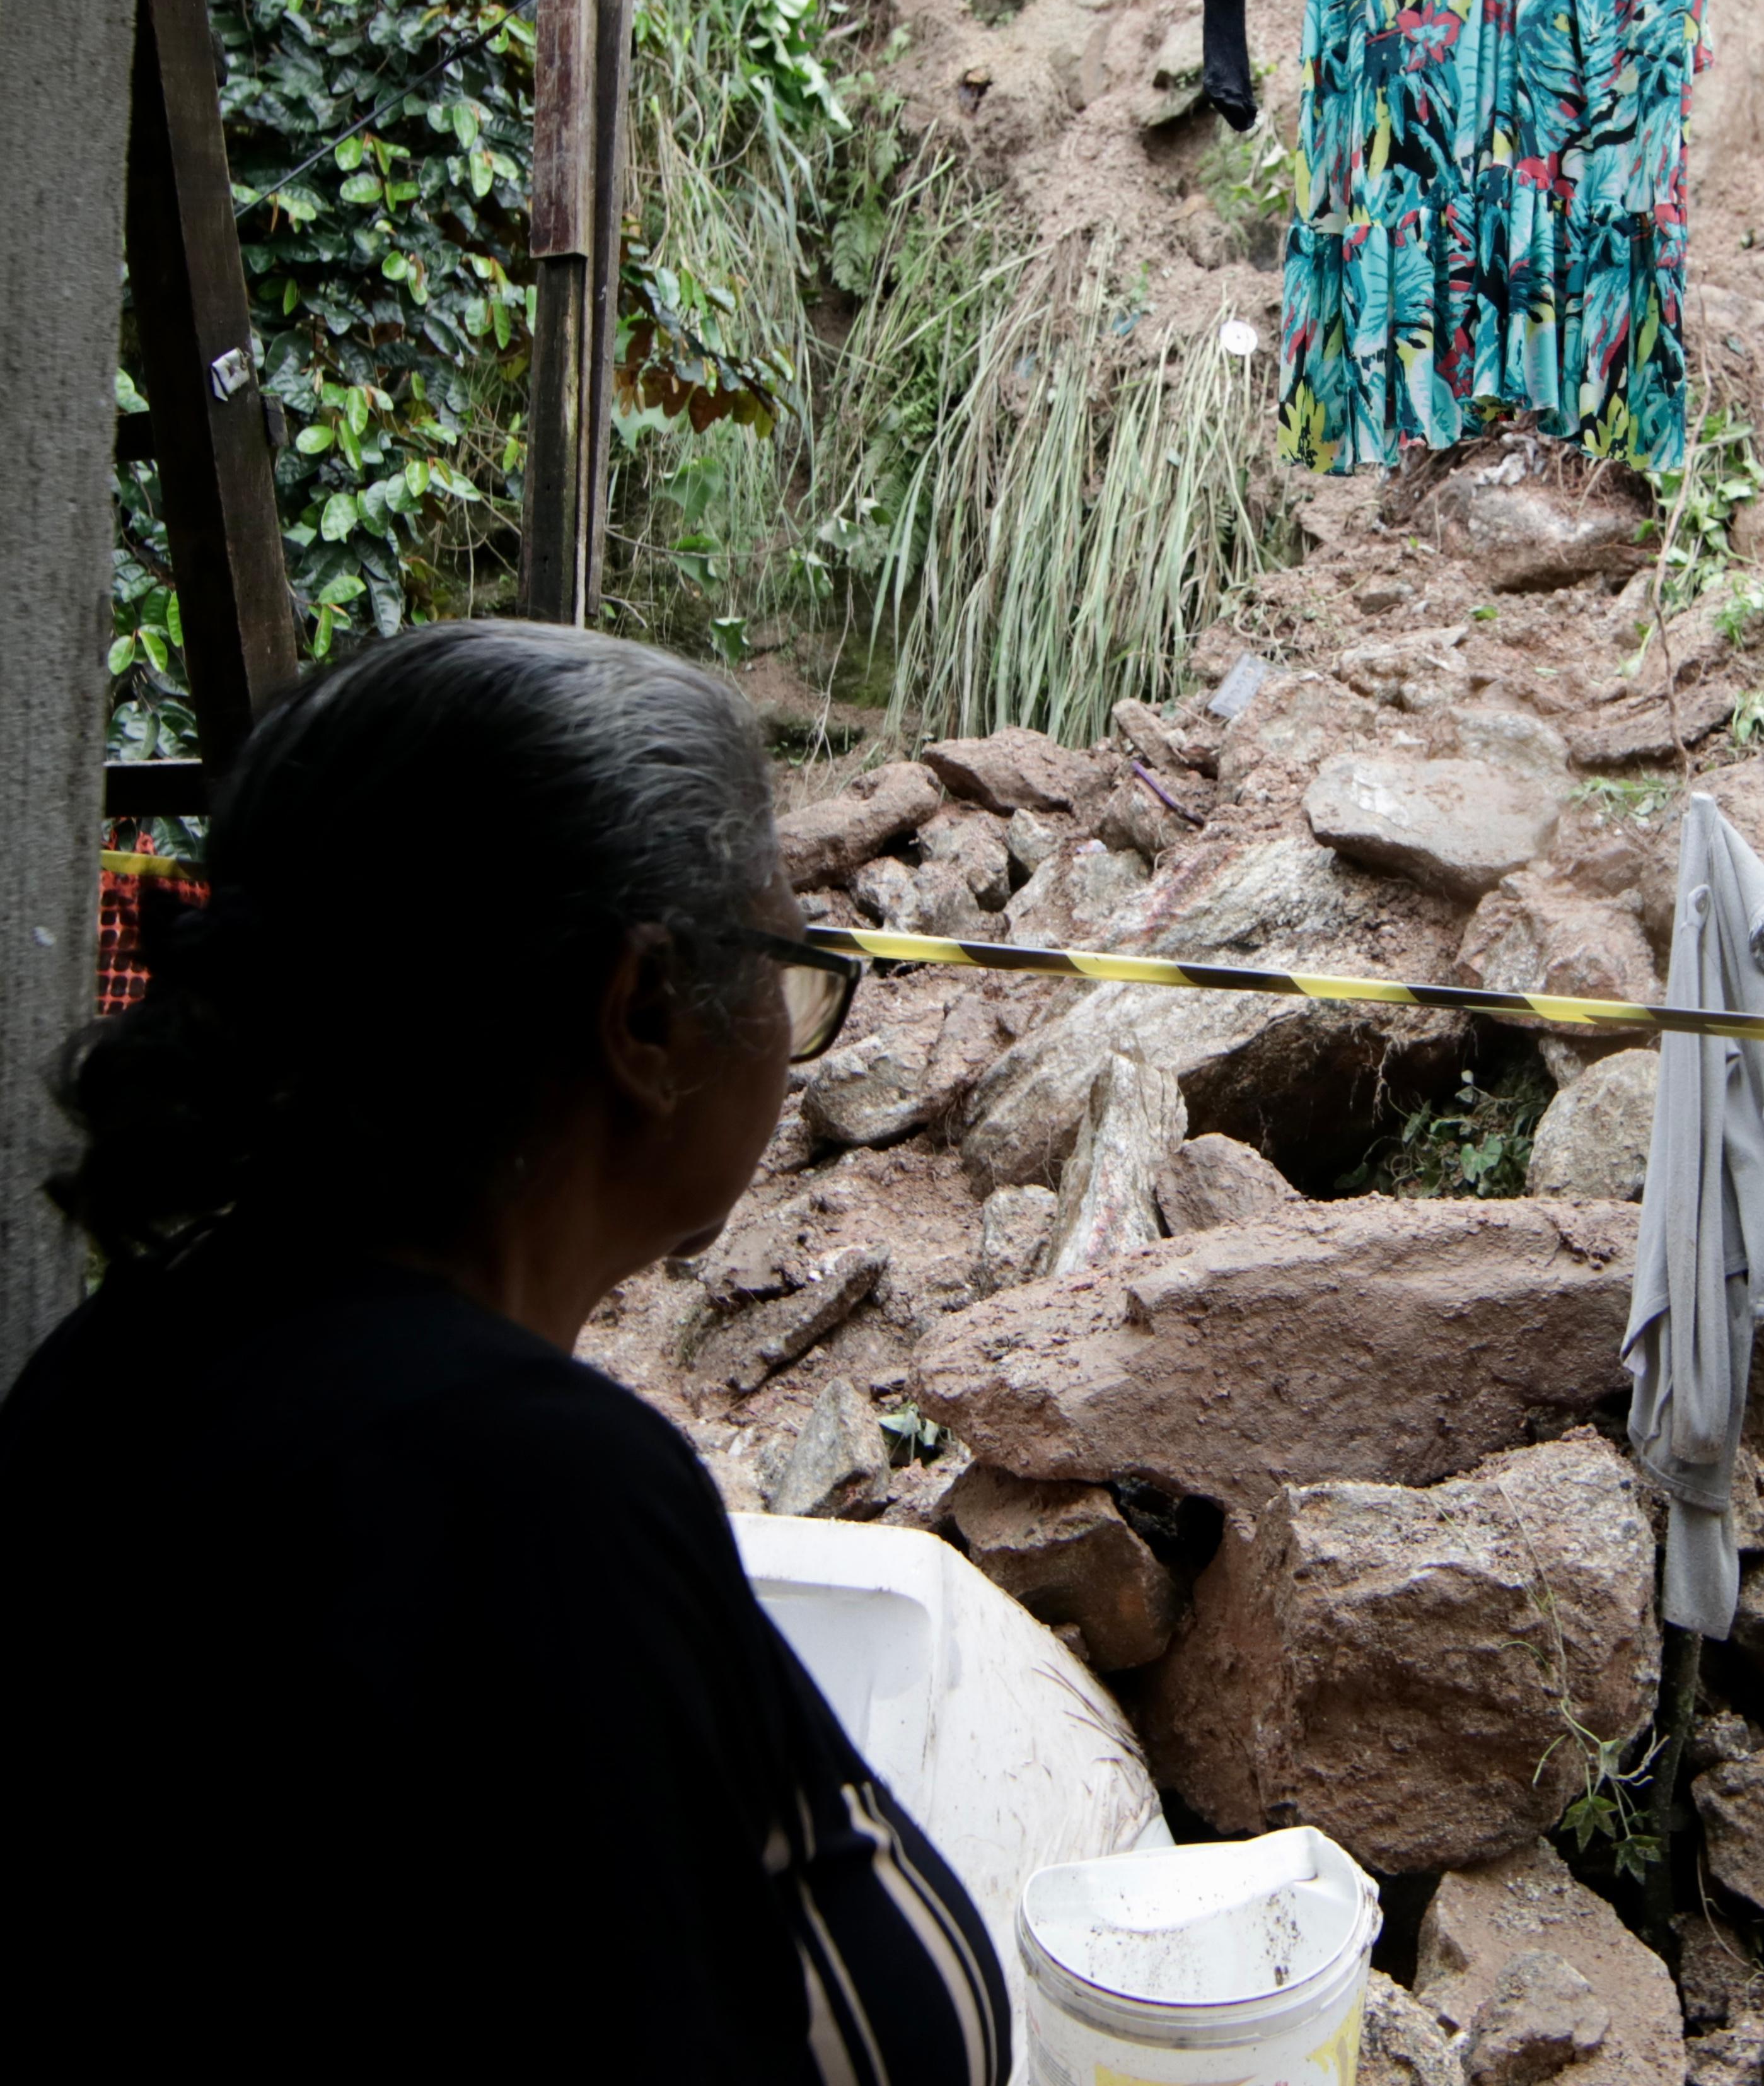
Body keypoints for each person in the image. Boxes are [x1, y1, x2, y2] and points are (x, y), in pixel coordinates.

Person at [0, 622, 1009, 2083]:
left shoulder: (121, 1361)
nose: (796, 1037)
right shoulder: (526, 1491)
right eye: (788, 964)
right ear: (646, 1011)